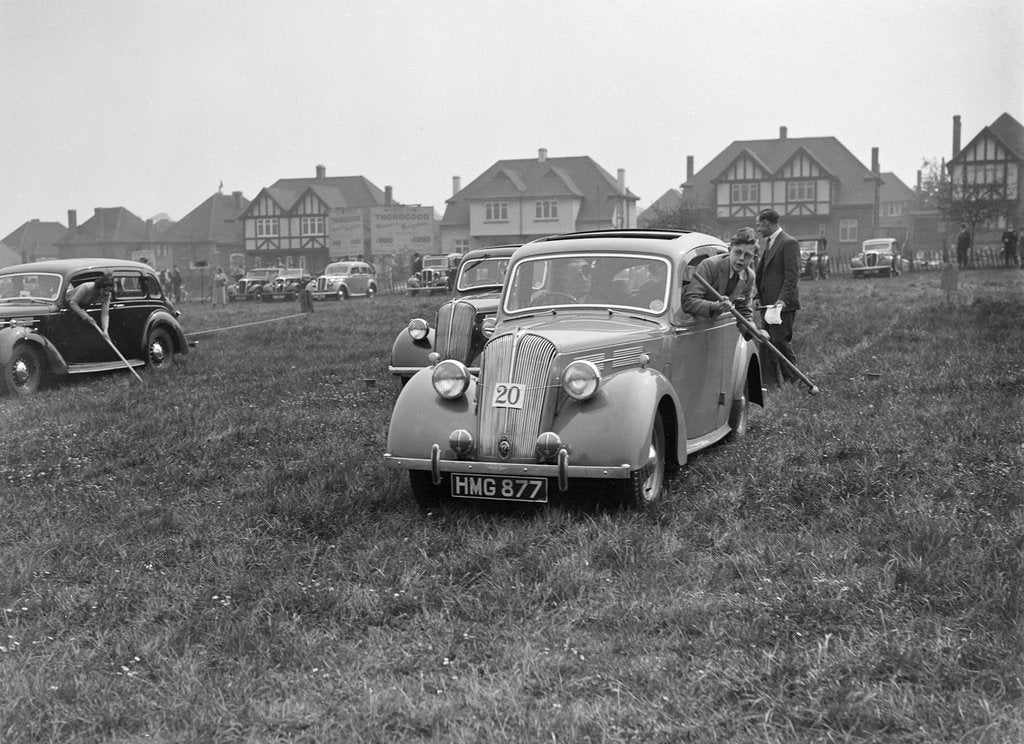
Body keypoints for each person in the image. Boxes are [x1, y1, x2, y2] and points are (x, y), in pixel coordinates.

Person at [754, 209, 801, 388]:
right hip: (767, 305)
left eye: (759, 225)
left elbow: (792, 276)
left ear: (767, 223)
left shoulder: (789, 243)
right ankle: (770, 384)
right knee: (767, 343)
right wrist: (758, 295)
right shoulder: (770, 243)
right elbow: (764, 273)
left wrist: (782, 301)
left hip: (781, 306)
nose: (758, 229)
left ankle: (795, 380)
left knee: (780, 342)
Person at [682, 227, 762, 330]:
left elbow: (744, 312)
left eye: (747, 255)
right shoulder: (710, 265)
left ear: (753, 258)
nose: (741, 258)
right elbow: (689, 301)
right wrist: (714, 306)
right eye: (738, 252)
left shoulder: (749, 276)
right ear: (729, 250)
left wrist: (755, 332)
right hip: (696, 328)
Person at [67, 270, 114, 336]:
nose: (107, 293)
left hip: (81, 307)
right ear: (100, 287)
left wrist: (105, 329)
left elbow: (105, 313)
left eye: (109, 291)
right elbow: (73, 303)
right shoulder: (86, 287)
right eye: (105, 290)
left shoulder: (108, 295)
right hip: (67, 303)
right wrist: (86, 317)